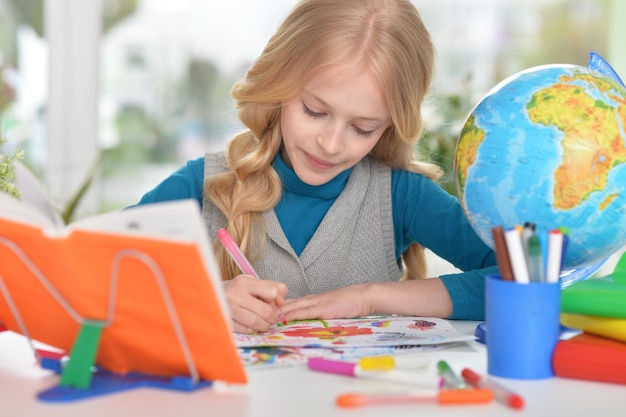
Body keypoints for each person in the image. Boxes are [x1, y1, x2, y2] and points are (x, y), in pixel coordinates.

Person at [134, 0, 498, 334]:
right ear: (279, 86)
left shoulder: (401, 195)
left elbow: (535, 281)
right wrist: (203, 298)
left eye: (363, 128)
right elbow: (88, 278)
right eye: (315, 111)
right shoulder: (203, 185)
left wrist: (370, 297)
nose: (332, 144)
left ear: (389, 125)